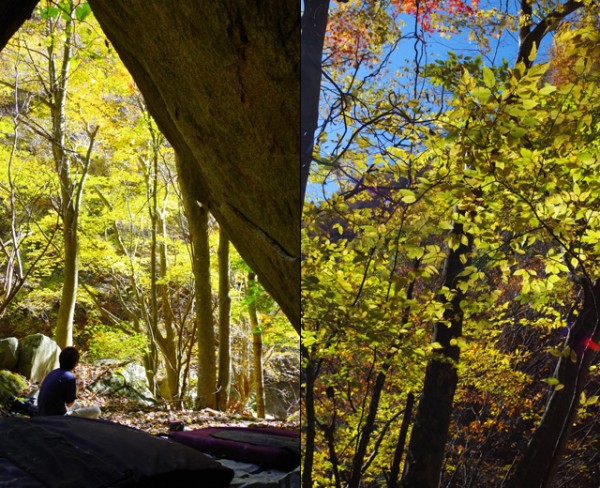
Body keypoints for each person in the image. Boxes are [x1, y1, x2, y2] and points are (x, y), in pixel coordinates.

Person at [37, 346, 100, 418]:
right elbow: (69, 404)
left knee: (79, 406)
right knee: (96, 410)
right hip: (57, 418)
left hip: (42, 413)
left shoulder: (52, 372)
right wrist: (78, 387)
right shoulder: (69, 377)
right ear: (76, 363)